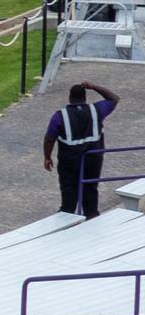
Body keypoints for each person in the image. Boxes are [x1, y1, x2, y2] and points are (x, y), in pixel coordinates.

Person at [47, 81, 121, 219]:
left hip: (69, 160)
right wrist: (94, 86)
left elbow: (50, 138)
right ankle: (91, 216)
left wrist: (47, 157)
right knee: (90, 188)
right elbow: (114, 98)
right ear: (85, 97)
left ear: (70, 98)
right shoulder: (96, 110)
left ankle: (66, 217)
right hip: (93, 158)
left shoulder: (60, 116)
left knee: (69, 189)